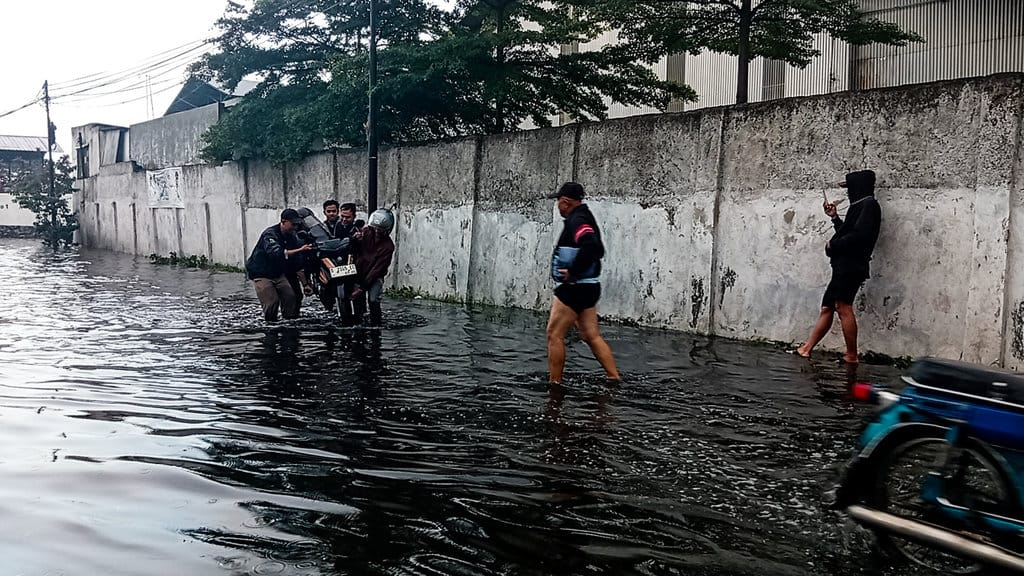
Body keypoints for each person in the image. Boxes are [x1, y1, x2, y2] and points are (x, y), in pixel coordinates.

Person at [794, 170, 882, 363]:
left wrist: (832, 245)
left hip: (851, 266)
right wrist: (834, 218)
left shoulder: (869, 206)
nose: (848, 193)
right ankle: (806, 348)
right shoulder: (860, 207)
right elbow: (848, 232)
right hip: (843, 265)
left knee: (843, 307)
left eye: (850, 188)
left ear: (858, 187)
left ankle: (851, 355)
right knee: (827, 307)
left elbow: (859, 237)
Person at [545, 182, 620, 385]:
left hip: (574, 289)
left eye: (559, 203)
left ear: (566, 202)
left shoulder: (577, 219)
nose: (558, 207)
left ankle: (555, 385)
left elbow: (591, 245)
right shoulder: (584, 216)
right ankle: (614, 378)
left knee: (554, 335)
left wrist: (573, 272)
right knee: (590, 335)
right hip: (590, 286)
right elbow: (599, 250)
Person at [245, 208, 313, 322]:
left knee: (291, 297)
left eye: (297, 224)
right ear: (283, 221)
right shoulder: (270, 234)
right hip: (262, 273)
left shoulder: (292, 236)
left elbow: (298, 264)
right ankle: (271, 325)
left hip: (278, 273)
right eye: (293, 224)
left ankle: (290, 322)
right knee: (272, 302)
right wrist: (300, 249)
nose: (295, 227)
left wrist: (305, 284)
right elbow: (276, 253)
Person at [352, 208, 396, 327]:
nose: (376, 232)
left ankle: (376, 325)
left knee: (373, 299)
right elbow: (354, 249)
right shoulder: (366, 232)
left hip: (375, 276)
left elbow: (378, 269)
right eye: (375, 228)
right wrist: (356, 239)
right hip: (359, 272)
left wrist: (362, 287)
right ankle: (358, 322)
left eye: (380, 230)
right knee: (357, 301)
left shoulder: (388, 246)